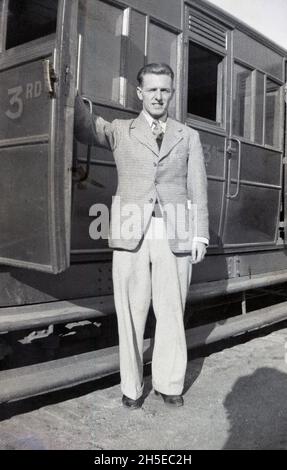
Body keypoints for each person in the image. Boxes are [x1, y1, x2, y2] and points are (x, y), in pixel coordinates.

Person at [74, 63, 209, 409]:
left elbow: (198, 188)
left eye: (165, 90)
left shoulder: (187, 135)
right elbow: (85, 127)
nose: (158, 96)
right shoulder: (120, 130)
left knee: (171, 310)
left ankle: (169, 384)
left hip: (175, 229)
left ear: (172, 92)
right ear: (139, 93)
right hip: (131, 229)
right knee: (131, 311)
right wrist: (65, 89)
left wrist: (200, 237)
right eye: (152, 90)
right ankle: (132, 388)